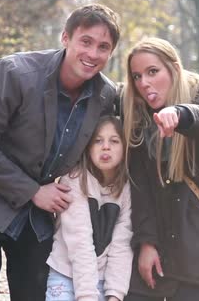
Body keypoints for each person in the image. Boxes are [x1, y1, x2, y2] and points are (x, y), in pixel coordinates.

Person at [0, 4, 120, 301]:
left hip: (38, 216)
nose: (93, 54)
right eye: (86, 41)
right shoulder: (15, 72)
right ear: (66, 38)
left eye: (103, 47)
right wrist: (32, 191)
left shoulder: (106, 96)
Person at [121, 37, 199, 301]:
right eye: (137, 76)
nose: (144, 83)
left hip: (198, 255)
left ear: (174, 68)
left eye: (152, 72)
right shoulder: (135, 113)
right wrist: (146, 243)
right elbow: (140, 188)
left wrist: (181, 114)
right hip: (153, 255)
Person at [45, 116, 133, 301]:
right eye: (98, 141)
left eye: (114, 141)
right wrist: (86, 296)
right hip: (66, 274)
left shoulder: (127, 190)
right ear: (87, 147)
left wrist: (114, 294)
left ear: (125, 148)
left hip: (102, 280)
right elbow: (80, 243)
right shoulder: (75, 181)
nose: (106, 147)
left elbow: (122, 246)